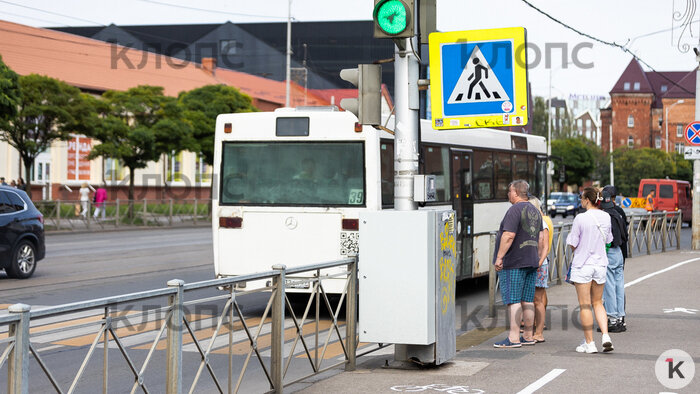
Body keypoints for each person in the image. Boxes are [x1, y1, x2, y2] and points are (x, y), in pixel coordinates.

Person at [492, 180, 545, 348]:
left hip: (514, 261)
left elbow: (508, 236)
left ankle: (514, 338)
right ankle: (528, 336)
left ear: (515, 192)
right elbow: (541, 238)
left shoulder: (514, 210)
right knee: (527, 300)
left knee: (513, 300)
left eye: (509, 191)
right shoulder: (535, 211)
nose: (508, 194)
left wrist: (499, 257)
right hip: (531, 260)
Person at [566, 187, 614, 353]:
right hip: (600, 265)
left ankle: (590, 343)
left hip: (583, 265)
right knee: (598, 303)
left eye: (581, 198)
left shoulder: (580, 218)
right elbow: (609, 239)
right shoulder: (606, 217)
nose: (581, 200)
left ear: (587, 200)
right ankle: (606, 336)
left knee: (585, 305)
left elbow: (573, 242)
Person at [600, 186, 628, 333]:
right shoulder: (618, 214)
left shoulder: (604, 216)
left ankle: (611, 318)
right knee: (619, 285)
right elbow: (625, 236)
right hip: (619, 252)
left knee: (609, 286)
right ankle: (620, 318)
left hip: (609, 251)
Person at [529, 196, 552, 343]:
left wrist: (539, 261)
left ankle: (537, 332)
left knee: (535, 299)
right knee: (536, 300)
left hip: (536, 265)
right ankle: (535, 332)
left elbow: (544, 245)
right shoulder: (537, 221)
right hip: (537, 264)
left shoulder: (540, 222)